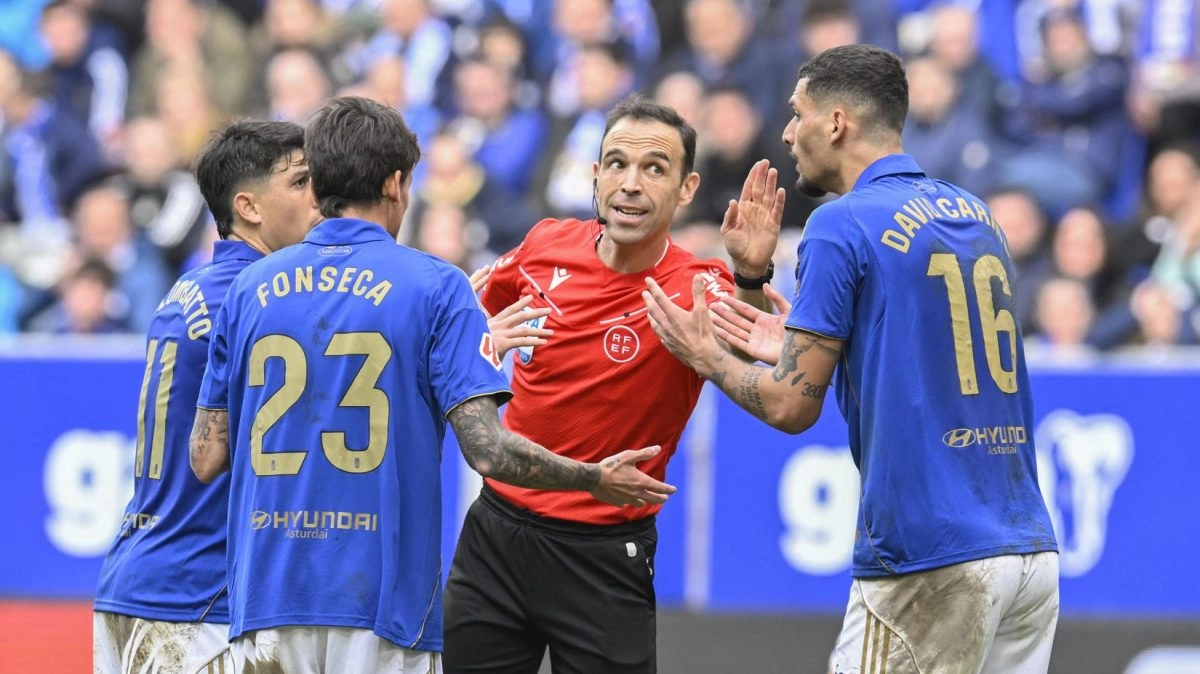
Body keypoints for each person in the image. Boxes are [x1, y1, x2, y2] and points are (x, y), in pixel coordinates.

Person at [188, 96, 675, 674]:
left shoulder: (248, 290)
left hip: (266, 594)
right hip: (377, 603)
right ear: (396, 184)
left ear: (316, 186)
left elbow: (206, 456)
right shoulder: (436, 287)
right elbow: (490, 453)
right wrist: (592, 477)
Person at [643, 45, 1060, 674]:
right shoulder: (978, 216)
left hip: (928, 554)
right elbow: (920, 347)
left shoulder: (841, 223)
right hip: (1029, 550)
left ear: (836, 123)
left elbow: (789, 406)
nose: (787, 131)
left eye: (797, 112)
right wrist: (754, 280)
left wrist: (704, 355)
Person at [443, 94, 782, 674]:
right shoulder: (546, 244)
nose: (631, 183)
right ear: (595, 176)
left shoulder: (698, 284)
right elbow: (472, 311)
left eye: (655, 169)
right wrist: (481, 337)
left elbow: (742, 350)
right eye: (617, 164)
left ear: (686, 189)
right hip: (495, 536)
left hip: (603, 553)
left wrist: (750, 274)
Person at [94, 119, 321, 673]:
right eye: (300, 183)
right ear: (248, 207)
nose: (320, 198)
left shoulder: (196, 285)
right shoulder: (259, 298)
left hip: (151, 577)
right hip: (194, 598)